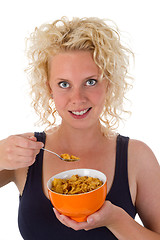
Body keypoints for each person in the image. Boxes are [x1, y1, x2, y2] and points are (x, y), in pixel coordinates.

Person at [0, 16, 160, 240]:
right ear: (49, 89)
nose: (77, 98)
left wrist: (116, 220)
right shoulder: (27, 152)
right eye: (64, 84)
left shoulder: (137, 157)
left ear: (109, 83)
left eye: (91, 81)